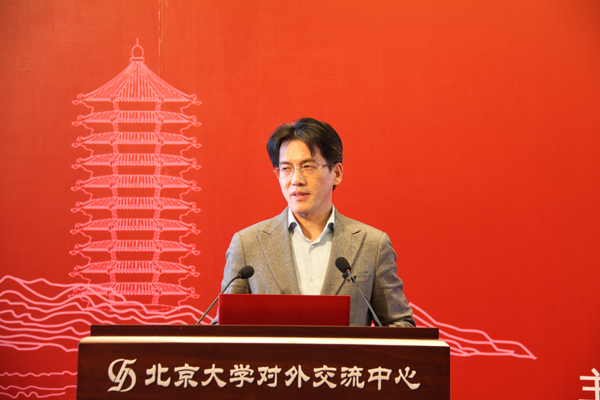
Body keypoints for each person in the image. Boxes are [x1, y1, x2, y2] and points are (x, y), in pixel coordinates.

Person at [220, 117, 415, 327]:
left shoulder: (372, 245)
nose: (296, 180)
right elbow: (224, 330)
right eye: (286, 168)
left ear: (336, 173)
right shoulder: (248, 245)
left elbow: (400, 326)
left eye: (308, 166)